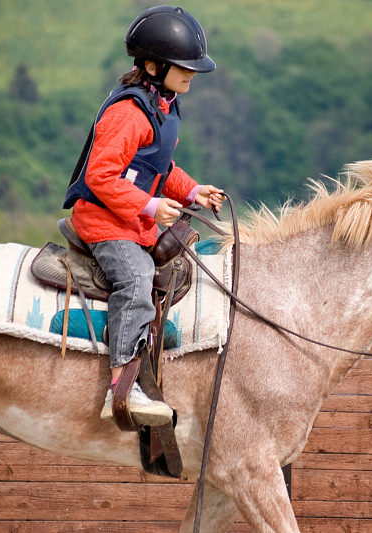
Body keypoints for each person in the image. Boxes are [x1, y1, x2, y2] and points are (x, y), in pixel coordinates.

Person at [63, 5, 224, 425]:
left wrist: (192, 190)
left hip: (132, 221)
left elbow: (158, 168)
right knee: (136, 278)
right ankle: (122, 386)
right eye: (183, 67)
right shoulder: (128, 114)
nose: (191, 74)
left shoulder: (164, 107)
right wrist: (150, 206)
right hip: (105, 223)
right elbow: (100, 176)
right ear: (153, 66)